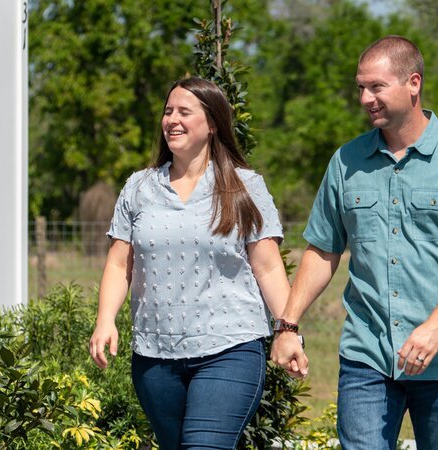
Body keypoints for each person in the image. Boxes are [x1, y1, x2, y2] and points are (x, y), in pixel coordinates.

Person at [270, 35, 438, 450]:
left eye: (376, 86)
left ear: (413, 83)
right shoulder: (346, 162)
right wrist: (288, 325)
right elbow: (323, 249)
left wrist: (436, 326)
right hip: (367, 355)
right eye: (361, 87)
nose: (365, 98)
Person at [89, 76, 290, 450]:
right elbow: (120, 264)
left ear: (212, 123)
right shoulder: (139, 187)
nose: (172, 120)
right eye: (168, 112)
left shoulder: (244, 186)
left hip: (230, 346)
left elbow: (268, 267)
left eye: (184, 111)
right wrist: (105, 321)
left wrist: (288, 328)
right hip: (155, 355)